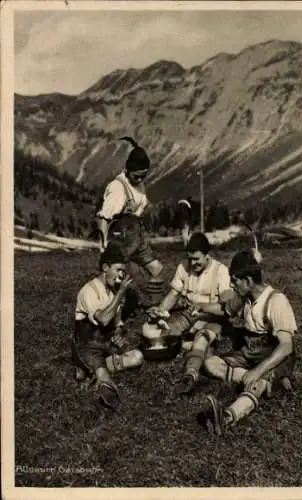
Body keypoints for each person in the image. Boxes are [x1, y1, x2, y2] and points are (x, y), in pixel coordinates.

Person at [197, 250, 296, 436]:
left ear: (249, 281)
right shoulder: (244, 298)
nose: (231, 285)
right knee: (210, 364)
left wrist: (258, 371)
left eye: (234, 280)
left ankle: (227, 417)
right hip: (249, 355)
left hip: (274, 358)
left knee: (259, 382)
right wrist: (198, 307)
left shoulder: (276, 301)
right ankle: (263, 383)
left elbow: (286, 346)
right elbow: (223, 309)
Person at [145, 232, 233, 392]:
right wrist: (160, 310)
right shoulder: (183, 266)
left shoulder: (221, 271)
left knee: (202, 337)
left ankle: (190, 375)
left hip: (212, 317)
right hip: (189, 314)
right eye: (190, 259)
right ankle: (193, 347)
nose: (192, 263)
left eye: (196, 259)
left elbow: (227, 306)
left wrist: (204, 308)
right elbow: (173, 294)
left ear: (207, 255)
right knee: (165, 335)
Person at [72, 243, 144, 411]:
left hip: (106, 343)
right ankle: (100, 377)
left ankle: (88, 370)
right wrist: (120, 294)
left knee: (137, 356)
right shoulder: (89, 290)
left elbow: (116, 321)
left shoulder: (113, 290)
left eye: (123, 271)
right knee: (103, 373)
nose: (121, 275)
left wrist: (118, 331)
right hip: (87, 345)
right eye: (118, 270)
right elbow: (103, 320)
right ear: (105, 267)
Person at [95, 137, 164, 306]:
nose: (140, 179)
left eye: (143, 176)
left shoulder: (140, 185)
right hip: (120, 238)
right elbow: (103, 218)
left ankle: (155, 308)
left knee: (157, 268)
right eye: (137, 176)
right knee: (121, 276)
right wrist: (103, 243)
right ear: (127, 169)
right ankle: (114, 308)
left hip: (136, 236)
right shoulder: (118, 188)